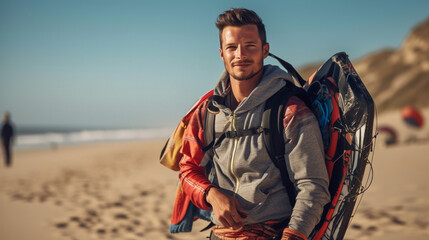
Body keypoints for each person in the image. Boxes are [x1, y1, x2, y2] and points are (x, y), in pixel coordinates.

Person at [178, 8, 330, 240]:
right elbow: (187, 169)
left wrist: (293, 235)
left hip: (272, 232)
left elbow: (313, 185)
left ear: (265, 50)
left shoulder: (290, 111)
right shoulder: (207, 111)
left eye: (250, 45)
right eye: (232, 47)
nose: (240, 54)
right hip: (220, 234)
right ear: (221, 53)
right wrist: (211, 194)